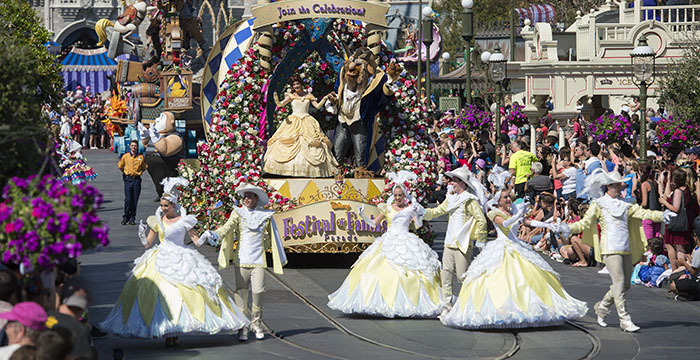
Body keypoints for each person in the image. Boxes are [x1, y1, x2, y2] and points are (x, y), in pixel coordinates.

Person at [99, 178, 249, 347]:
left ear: (174, 205)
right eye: (162, 205)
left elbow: (197, 242)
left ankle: (177, 330)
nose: (163, 209)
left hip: (182, 257)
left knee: (189, 291)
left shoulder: (185, 220)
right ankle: (168, 330)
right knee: (158, 291)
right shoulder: (156, 220)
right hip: (160, 256)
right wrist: (142, 236)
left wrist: (206, 236)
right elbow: (148, 244)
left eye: (166, 206)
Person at [440, 188, 588, 330]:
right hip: (502, 247)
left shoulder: (512, 211)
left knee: (529, 276)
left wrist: (548, 225)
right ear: (498, 201)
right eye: (505, 197)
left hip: (517, 246)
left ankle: (530, 309)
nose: (508, 199)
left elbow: (528, 222)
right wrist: (519, 214)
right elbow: (505, 224)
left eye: (508, 197)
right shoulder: (493, 212)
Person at [556, 169, 676, 332]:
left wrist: (661, 216)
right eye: (618, 183)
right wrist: (567, 227)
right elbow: (583, 224)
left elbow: (643, 212)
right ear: (610, 185)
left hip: (625, 248)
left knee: (625, 285)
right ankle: (624, 319)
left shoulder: (626, 204)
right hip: (610, 248)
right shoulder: (598, 204)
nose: (621, 186)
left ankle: (602, 307)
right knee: (618, 283)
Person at [327, 171, 442, 318]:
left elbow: (418, 226)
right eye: (396, 195)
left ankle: (408, 302)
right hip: (388, 240)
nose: (398, 198)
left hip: (405, 240)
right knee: (373, 270)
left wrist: (418, 212)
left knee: (410, 272)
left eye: (400, 195)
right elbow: (374, 224)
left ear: (405, 195)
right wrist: (362, 215)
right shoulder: (387, 208)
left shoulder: (409, 209)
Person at [200, 184, 287, 341]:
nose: (246, 199)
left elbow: (273, 235)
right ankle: (243, 327)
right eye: (244, 196)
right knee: (241, 293)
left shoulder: (265, 216)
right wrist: (213, 234)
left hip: (258, 261)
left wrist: (269, 247)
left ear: (256, 198)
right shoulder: (238, 213)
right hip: (242, 260)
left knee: (259, 291)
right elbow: (226, 228)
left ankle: (256, 323)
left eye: (249, 196)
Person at [422, 166, 488, 317]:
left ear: (463, 184)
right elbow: (436, 212)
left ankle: (469, 304)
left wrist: (480, 241)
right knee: (445, 275)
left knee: (462, 276)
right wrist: (420, 212)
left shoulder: (469, 200)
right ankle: (447, 305)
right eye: (452, 180)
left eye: (456, 181)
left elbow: (481, 220)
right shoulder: (451, 198)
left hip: (462, 244)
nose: (452, 183)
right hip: (449, 242)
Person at [264, 75, 339, 177]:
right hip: (293, 121)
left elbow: (317, 107)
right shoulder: (291, 96)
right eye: (294, 84)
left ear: (301, 84)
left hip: (307, 121)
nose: (296, 86)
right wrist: (276, 98)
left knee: (312, 142)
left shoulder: (308, 95)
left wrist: (325, 98)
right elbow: (280, 104)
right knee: (286, 142)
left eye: (297, 83)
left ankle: (312, 172)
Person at [659, 168, 695, 270]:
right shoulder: (686, 189)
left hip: (676, 222)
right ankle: (681, 269)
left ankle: (676, 270)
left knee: (674, 246)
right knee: (680, 246)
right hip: (684, 221)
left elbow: (675, 208)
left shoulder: (678, 191)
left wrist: (664, 202)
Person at [117, 140, 147, 225]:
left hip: (137, 179)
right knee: (128, 199)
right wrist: (125, 172)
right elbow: (120, 166)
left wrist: (138, 172)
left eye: (135, 146)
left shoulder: (141, 157)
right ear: (129, 146)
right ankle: (126, 216)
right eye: (132, 145)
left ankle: (132, 218)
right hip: (128, 179)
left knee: (134, 200)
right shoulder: (125, 156)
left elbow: (144, 167)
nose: (134, 147)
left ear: (137, 147)